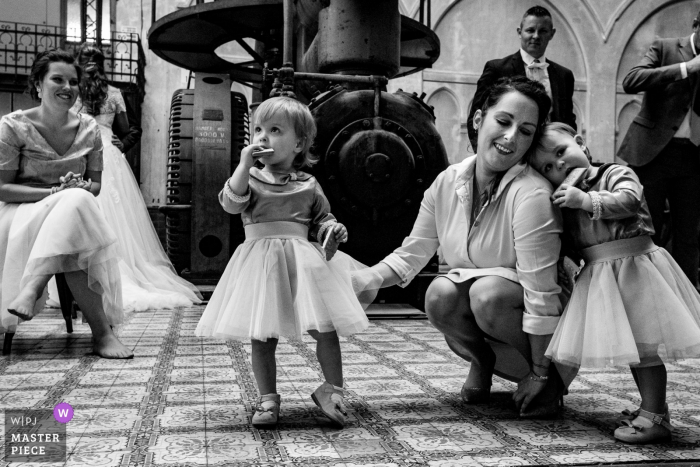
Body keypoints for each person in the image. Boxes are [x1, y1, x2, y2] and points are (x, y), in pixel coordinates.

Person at [354, 77, 565, 418]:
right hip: (491, 315)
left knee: (487, 294)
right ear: (479, 120)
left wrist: (545, 369)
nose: (512, 137)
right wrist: (363, 280)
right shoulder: (447, 182)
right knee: (438, 294)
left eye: (526, 131)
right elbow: (413, 253)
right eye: (504, 121)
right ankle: (483, 360)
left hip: (541, 325)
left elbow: (541, 291)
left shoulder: (532, 194)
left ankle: (546, 377)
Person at [194, 97, 371, 429]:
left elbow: (321, 221)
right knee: (263, 335)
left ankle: (333, 391)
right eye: (258, 129)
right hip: (261, 265)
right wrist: (245, 165)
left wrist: (332, 230)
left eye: (275, 130)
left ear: (299, 143)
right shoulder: (250, 179)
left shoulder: (308, 184)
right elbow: (231, 204)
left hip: (303, 265)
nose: (263, 137)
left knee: (325, 329)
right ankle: (267, 398)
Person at [530, 122, 700, 443]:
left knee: (646, 349)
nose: (560, 165)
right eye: (548, 167)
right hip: (601, 273)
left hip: (635, 267)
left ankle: (656, 419)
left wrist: (585, 200)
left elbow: (629, 200)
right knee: (636, 350)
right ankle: (652, 409)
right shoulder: (563, 200)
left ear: (581, 143)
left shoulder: (613, 173)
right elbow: (570, 240)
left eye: (561, 152)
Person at [0, 49, 132, 358]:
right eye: (57, 79)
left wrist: (82, 187)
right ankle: (102, 334)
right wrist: (54, 195)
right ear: (38, 84)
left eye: (73, 82)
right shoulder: (13, 126)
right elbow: (3, 189)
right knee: (75, 211)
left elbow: (95, 186)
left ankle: (33, 287)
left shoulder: (89, 129)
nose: (67, 88)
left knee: (77, 203)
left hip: (69, 211)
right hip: (20, 212)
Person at [68, 44, 201, 311]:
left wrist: (117, 145)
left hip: (97, 154)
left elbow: (129, 130)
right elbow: (131, 131)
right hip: (93, 152)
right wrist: (118, 144)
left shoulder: (90, 93)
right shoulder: (95, 93)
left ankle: (89, 277)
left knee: (98, 211)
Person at [617, 10, 700, 287]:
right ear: (696, 25)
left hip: (693, 158)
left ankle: (688, 302)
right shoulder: (665, 47)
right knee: (644, 230)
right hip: (653, 154)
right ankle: (644, 292)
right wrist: (688, 68)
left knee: (689, 236)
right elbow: (632, 80)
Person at [466, 5, 576, 152]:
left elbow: (567, 121)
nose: (536, 36)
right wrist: (483, 156)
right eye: (530, 30)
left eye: (543, 31)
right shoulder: (497, 68)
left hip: (548, 156)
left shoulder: (564, 75)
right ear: (520, 32)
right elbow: (476, 116)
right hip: (508, 150)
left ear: (552, 34)